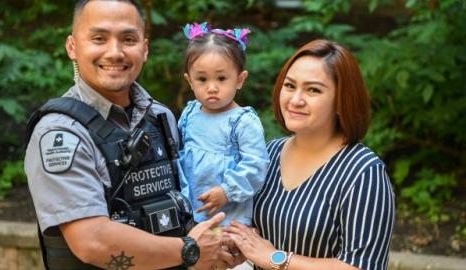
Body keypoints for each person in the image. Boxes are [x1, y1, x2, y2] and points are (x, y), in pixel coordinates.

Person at [24, 1, 225, 270]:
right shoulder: (60, 133)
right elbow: (92, 241)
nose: (115, 52)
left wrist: (218, 242)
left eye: (128, 39)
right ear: (72, 47)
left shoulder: (161, 117)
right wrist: (191, 251)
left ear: (144, 48)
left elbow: (183, 203)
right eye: (99, 38)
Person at [224, 39, 396, 270]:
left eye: (313, 90)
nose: (296, 100)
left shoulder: (363, 172)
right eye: (290, 86)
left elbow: (363, 266)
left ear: (340, 100)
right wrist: (240, 248)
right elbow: (256, 235)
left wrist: (277, 258)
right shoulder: (271, 153)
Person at [177, 22, 269, 227]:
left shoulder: (242, 121)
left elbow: (256, 165)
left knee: (223, 256)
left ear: (239, 79)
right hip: (190, 212)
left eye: (221, 78)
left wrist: (227, 191)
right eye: (202, 79)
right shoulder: (190, 113)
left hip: (229, 216)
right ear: (190, 81)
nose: (211, 87)